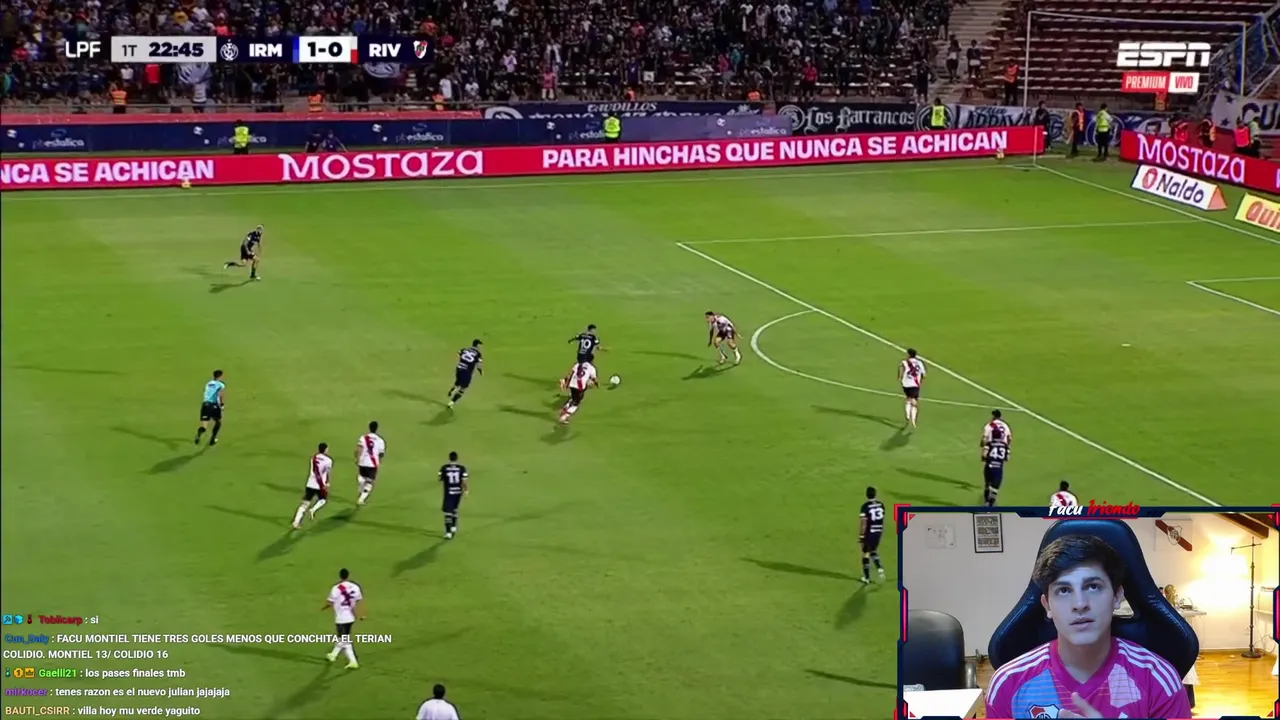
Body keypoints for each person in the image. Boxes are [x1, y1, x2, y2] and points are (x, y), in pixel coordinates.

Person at [984, 535, 1192, 719]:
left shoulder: (1158, 680)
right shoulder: (1008, 683)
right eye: (1064, 590)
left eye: (1093, 587)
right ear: (1047, 606)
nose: (1080, 604)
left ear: (1117, 596)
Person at [321, 568, 364, 670]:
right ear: (348, 575)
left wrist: (324, 607)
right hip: (350, 617)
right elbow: (359, 601)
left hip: (341, 618)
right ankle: (333, 655)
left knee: (344, 640)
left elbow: (329, 602)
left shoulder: (336, 588)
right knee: (344, 638)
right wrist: (360, 614)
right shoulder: (355, 587)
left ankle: (353, 661)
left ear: (340, 576)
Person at [293, 443, 333, 529]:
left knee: (305, 504)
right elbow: (328, 472)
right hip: (320, 485)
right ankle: (313, 510)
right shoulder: (328, 460)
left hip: (310, 483)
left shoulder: (314, 458)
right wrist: (327, 483)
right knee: (323, 499)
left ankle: (296, 522)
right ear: (325, 449)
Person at [355, 421, 386, 506]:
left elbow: (358, 449)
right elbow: (381, 454)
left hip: (362, 462)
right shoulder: (380, 440)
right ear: (377, 428)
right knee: (369, 483)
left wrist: (357, 458)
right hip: (373, 464)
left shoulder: (363, 438)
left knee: (362, 477)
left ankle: (361, 483)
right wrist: (379, 461)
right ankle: (361, 499)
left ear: (369, 428)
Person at [859, 487, 886, 584]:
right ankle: (879, 568)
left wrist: (862, 536)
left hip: (869, 531)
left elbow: (863, 522)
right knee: (873, 550)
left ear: (866, 495)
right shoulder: (881, 505)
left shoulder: (865, 506)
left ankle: (866, 578)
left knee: (866, 553)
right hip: (879, 530)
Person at [439, 451, 469, 539]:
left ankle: (448, 532)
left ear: (449, 458)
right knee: (455, 509)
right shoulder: (462, 468)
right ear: (457, 458)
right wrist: (466, 490)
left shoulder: (444, 468)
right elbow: (464, 481)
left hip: (449, 492)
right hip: (458, 492)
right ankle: (454, 526)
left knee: (448, 512)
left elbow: (440, 479)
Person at [559, 360, 599, 424]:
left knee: (574, 398)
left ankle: (565, 407)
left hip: (572, 384)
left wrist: (566, 383)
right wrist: (597, 384)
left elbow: (571, 374)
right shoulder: (592, 368)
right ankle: (564, 416)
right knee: (576, 403)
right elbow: (594, 379)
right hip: (579, 386)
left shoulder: (578, 364)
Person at [447, 340, 483, 409]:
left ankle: (454, 388)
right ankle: (452, 402)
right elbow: (479, 365)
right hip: (467, 371)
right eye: (480, 346)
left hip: (459, 368)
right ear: (477, 345)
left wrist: (462, 361)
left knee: (458, 381)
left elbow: (458, 353)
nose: (480, 347)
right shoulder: (478, 354)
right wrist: (480, 371)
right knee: (464, 388)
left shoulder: (465, 349)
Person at [195, 369, 226, 446]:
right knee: (218, 422)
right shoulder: (221, 384)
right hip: (213, 405)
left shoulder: (208, 383)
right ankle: (213, 439)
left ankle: (199, 434)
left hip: (205, 404)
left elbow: (206, 391)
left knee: (204, 427)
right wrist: (222, 404)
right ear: (220, 376)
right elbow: (220, 394)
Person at [899, 349, 926, 428]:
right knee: (914, 402)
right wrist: (920, 380)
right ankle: (913, 419)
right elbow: (924, 374)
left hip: (905, 384)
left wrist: (900, 378)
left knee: (909, 398)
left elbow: (900, 368)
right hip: (915, 384)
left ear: (909, 354)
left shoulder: (904, 362)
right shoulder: (919, 363)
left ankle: (908, 416)